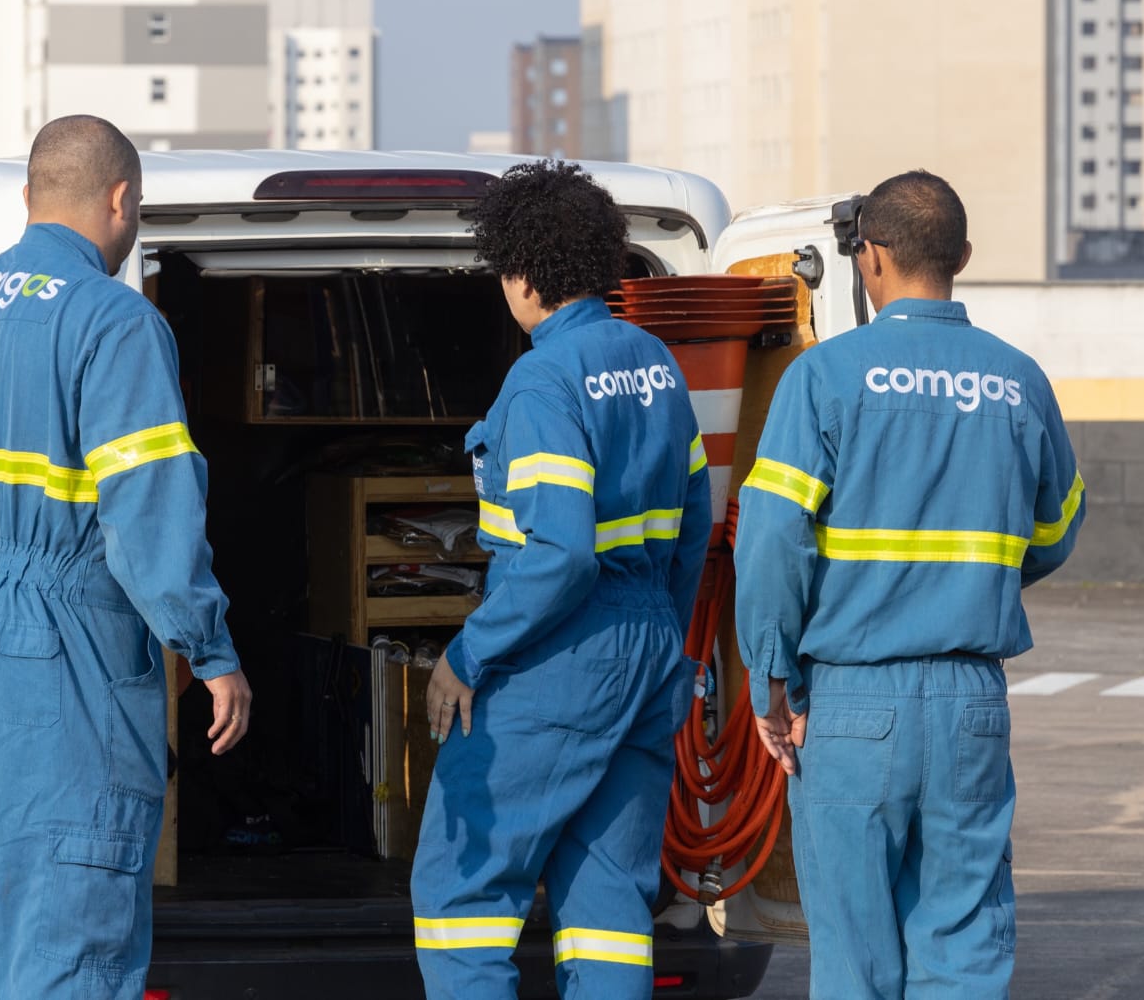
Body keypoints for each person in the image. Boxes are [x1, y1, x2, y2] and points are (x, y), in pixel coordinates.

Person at [0, 114, 252, 999]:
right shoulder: (114, 322)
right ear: (121, 201)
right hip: (68, 646)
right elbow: (147, 512)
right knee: (71, 922)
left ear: (32, 196)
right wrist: (210, 649)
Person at [735, 170, 1084, 999]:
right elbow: (1057, 531)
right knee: (963, 950)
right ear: (962, 255)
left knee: (855, 963)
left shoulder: (823, 378)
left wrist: (768, 675)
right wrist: (971, 579)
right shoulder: (1019, 379)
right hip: (971, 704)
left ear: (871, 259)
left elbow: (774, 539)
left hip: (852, 706)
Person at [411, 160, 712, 1000]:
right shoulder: (654, 363)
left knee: (463, 891)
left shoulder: (543, 379)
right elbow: (694, 529)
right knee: (610, 902)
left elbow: (561, 555)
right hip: (650, 650)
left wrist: (467, 656)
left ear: (519, 273)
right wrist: (671, 653)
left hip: (559, 656)